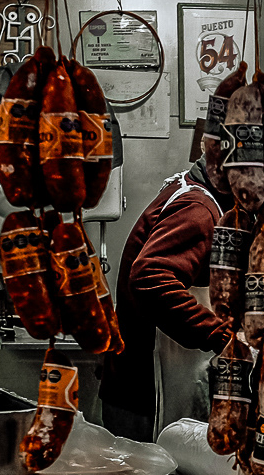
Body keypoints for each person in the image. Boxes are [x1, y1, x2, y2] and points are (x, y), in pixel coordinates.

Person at [100, 154, 235, 442]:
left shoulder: (194, 188)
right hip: (146, 393)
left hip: (136, 383)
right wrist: (221, 337)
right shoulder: (198, 210)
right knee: (157, 470)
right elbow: (150, 278)